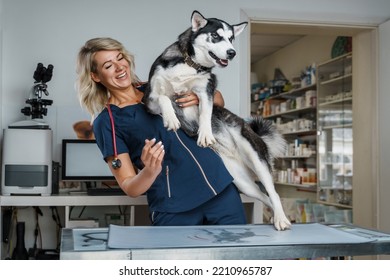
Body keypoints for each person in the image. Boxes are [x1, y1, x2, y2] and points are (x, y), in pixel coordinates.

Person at [76, 37, 246, 226]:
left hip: (221, 191)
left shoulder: (159, 84)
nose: (119, 67)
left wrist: (199, 99)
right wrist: (150, 171)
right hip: (175, 208)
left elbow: (218, 99)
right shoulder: (107, 121)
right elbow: (129, 186)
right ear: (96, 76)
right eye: (108, 65)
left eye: (120, 58)